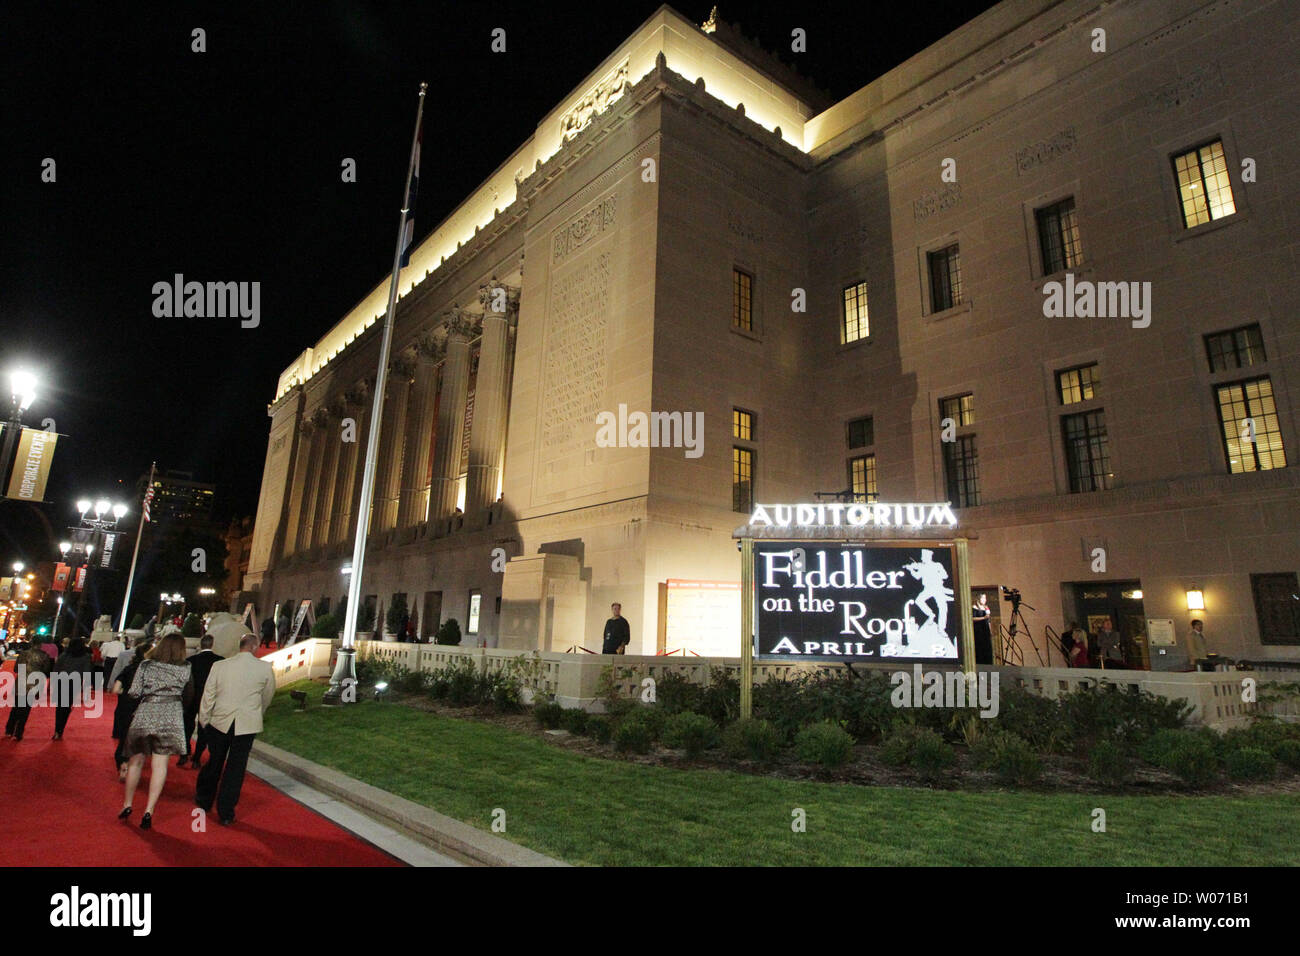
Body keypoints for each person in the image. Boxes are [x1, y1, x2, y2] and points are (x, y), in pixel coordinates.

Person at [196, 633, 277, 826]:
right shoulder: (265, 668)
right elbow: (267, 696)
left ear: (239, 646)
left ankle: (204, 800)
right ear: (254, 647)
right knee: (236, 768)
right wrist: (257, 712)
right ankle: (226, 811)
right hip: (247, 723)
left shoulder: (220, 666)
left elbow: (209, 694)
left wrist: (204, 718)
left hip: (220, 720)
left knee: (214, 760)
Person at [120, 633, 191, 829]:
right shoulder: (185, 668)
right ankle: (149, 810)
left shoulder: (146, 665)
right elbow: (186, 693)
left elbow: (134, 691)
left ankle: (127, 804)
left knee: (136, 762)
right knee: (160, 766)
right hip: (171, 715)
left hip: (147, 711)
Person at [179, 635, 221, 769]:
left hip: (191, 697)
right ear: (212, 644)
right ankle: (197, 757)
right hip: (209, 698)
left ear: (200, 645)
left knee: (187, 725)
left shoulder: (191, 660)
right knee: (204, 728)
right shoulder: (219, 661)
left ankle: (184, 752)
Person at [111, 640, 152, 778]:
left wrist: (127, 693)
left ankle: (122, 763)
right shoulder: (151, 672)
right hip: (142, 708)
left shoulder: (128, 669)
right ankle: (131, 764)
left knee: (123, 738)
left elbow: (116, 689)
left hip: (125, 707)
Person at [4, 639, 52, 741]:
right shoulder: (44, 656)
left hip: (20, 683)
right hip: (33, 684)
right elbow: (44, 673)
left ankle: (9, 730)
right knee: (25, 710)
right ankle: (18, 733)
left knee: (16, 708)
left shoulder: (23, 654)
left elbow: (16, 669)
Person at [51, 637, 96, 739]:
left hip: (61, 681)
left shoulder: (64, 655)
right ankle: (60, 730)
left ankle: (57, 730)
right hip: (74, 683)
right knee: (67, 707)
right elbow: (87, 672)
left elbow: (56, 669)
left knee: (59, 708)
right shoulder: (86, 657)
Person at [971, 594, 993, 664]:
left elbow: (988, 620)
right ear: (979, 599)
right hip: (978, 630)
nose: (984, 600)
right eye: (983, 598)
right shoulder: (974, 607)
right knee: (980, 647)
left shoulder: (986, 607)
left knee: (987, 647)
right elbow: (972, 618)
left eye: (985, 598)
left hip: (985, 630)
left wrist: (990, 629)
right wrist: (983, 618)